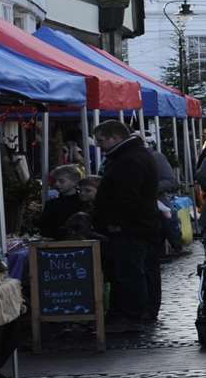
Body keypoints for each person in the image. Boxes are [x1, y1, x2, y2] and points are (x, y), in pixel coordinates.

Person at [91, 120, 162, 331]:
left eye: (101, 140)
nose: (98, 145)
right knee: (141, 269)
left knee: (130, 271)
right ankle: (142, 310)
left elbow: (127, 197)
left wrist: (116, 222)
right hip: (142, 223)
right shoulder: (134, 155)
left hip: (132, 226)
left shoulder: (128, 160)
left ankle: (132, 314)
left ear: (115, 138)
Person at [37, 165, 87, 240]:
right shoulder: (51, 204)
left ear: (75, 182)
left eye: (61, 181)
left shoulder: (83, 203)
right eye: (55, 181)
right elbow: (44, 227)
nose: (56, 184)